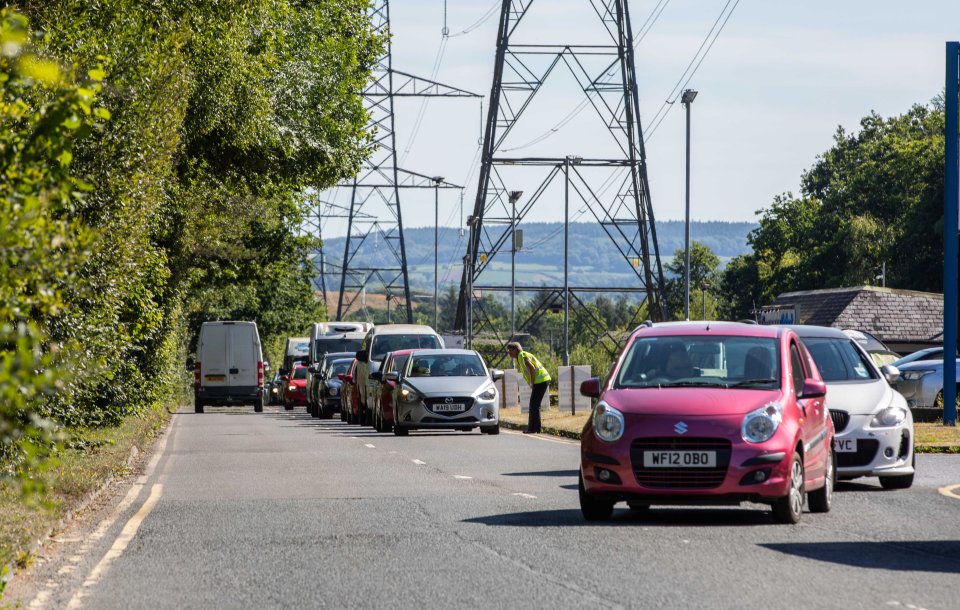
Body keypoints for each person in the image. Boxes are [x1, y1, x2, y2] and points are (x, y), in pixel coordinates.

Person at [506, 341, 552, 433]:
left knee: (533, 405)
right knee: (534, 405)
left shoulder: (522, 355)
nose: (509, 353)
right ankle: (536, 429)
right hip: (541, 381)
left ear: (515, 349)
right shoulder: (520, 357)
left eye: (510, 350)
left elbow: (531, 367)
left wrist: (532, 382)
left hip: (540, 381)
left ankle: (532, 429)